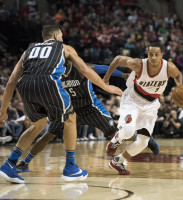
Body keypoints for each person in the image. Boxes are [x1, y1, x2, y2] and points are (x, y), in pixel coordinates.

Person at [0, 25, 122, 183]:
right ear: (57, 37)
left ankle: (10, 164)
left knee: (38, 124)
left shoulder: (28, 51)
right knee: (70, 118)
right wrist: (106, 87)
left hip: (25, 85)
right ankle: (70, 168)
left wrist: (3, 111)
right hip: (48, 82)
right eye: (62, 37)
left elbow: (11, 81)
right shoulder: (65, 48)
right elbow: (85, 69)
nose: (62, 39)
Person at [16, 63, 160, 173]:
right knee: (48, 135)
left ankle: (143, 139)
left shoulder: (82, 68)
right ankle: (25, 163)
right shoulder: (55, 74)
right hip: (68, 109)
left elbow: (103, 68)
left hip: (90, 108)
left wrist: (122, 75)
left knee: (114, 134)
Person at [104, 43, 183, 175]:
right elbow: (118, 59)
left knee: (143, 142)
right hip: (133, 99)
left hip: (151, 104)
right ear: (147, 55)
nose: (153, 57)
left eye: (156, 54)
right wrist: (106, 78)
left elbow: (178, 75)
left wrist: (180, 86)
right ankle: (116, 140)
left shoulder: (169, 67)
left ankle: (118, 161)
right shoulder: (139, 64)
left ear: (162, 55)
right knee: (128, 132)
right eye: (150, 54)